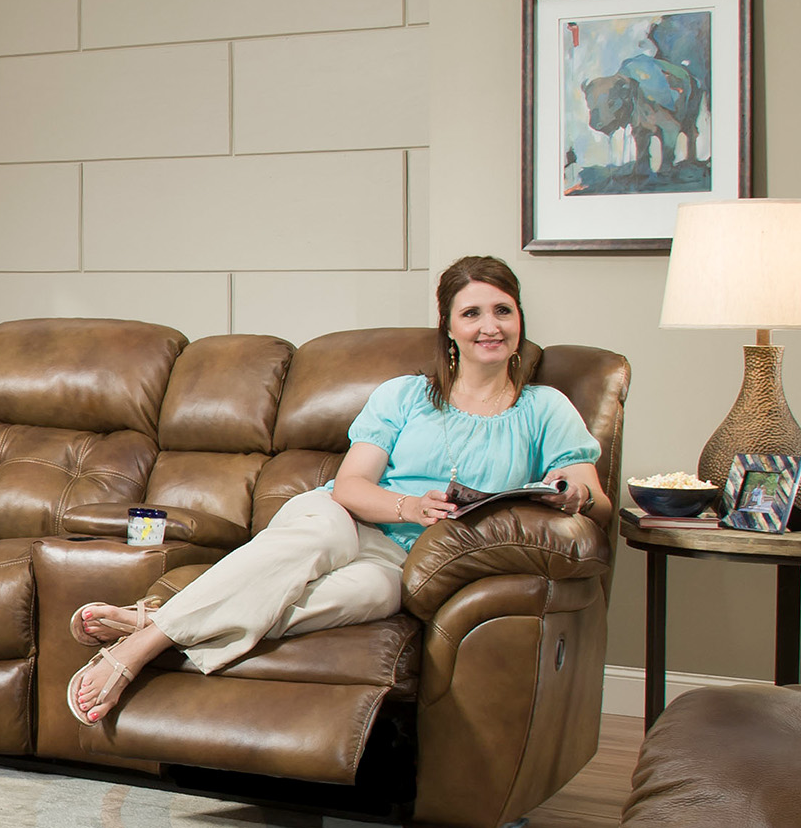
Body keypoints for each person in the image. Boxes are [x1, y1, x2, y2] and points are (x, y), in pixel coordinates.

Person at [66, 256, 610, 725]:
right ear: (448, 327)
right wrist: (412, 506)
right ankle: (138, 649)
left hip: (407, 563)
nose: (489, 326)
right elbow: (350, 486)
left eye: (502, 311)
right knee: (317, 535)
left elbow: (594, 497)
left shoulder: (545, 408)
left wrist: (572, 493)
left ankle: (155, 619)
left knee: (365, 596)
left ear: (518, 321)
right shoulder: (405, 396)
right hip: (344, 517)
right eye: (471, 313)